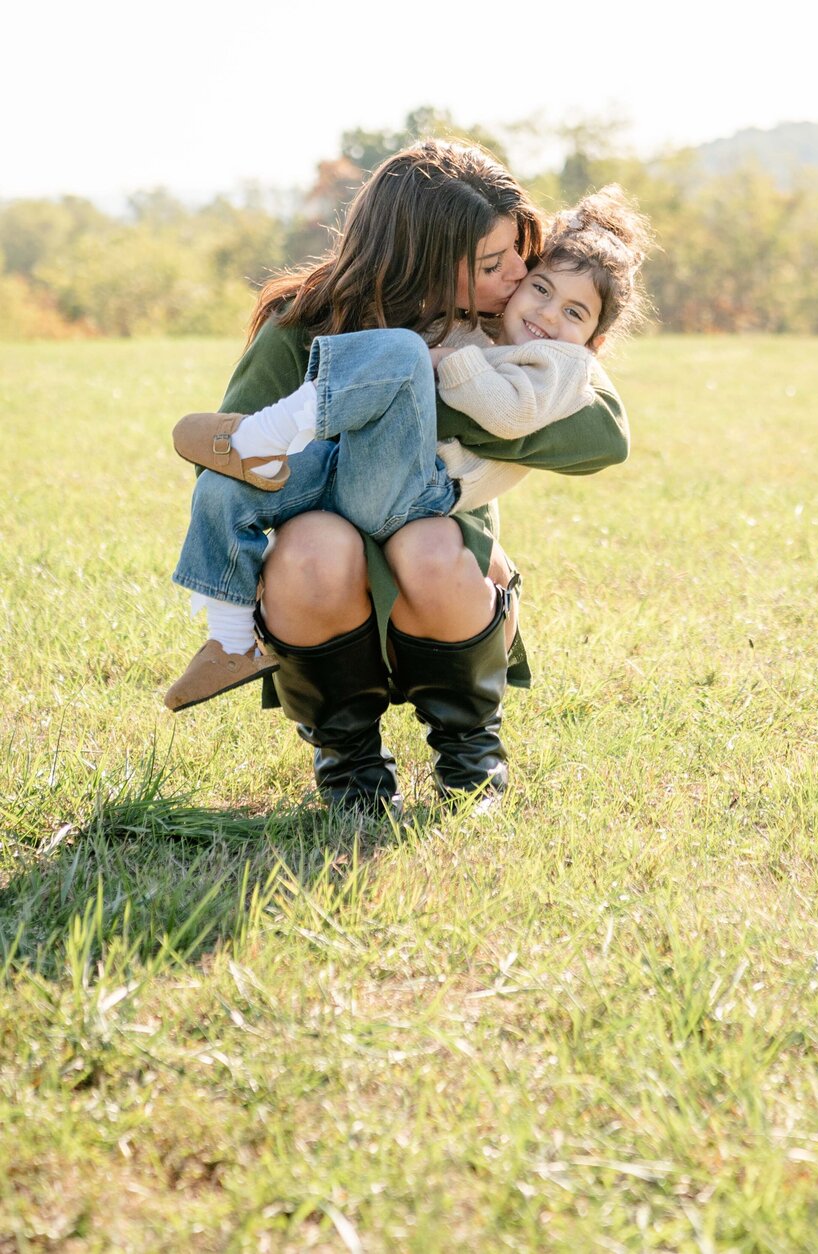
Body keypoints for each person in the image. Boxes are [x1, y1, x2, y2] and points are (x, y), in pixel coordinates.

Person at [166, 142, 634, 810]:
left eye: (519, 253)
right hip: (322, 567)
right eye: (493, 263)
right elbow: (228, 470)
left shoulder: (516, 324)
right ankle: (349, 762)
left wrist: (415, 397)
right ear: (423, 260)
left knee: (429, 543)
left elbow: (603, 434)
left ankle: (470, 756)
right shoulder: (301, 324)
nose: (520, 275)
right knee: (317, 544)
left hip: (438, 553)